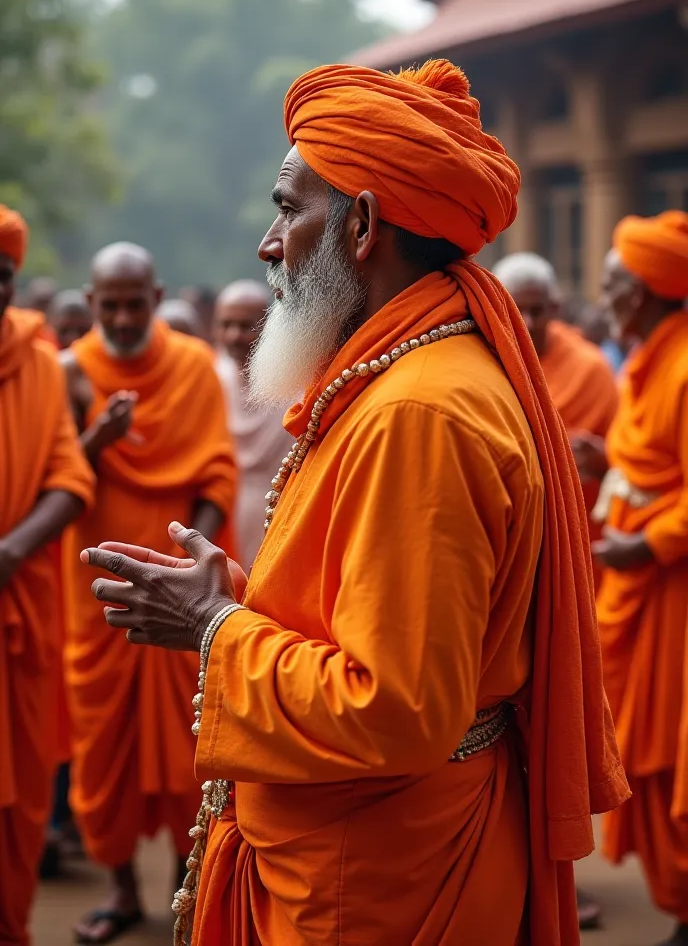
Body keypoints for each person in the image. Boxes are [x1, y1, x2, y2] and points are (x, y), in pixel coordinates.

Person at [83, 61, 629, 946]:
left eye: (288, 209)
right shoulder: (402, 374)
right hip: (371, 853)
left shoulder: (419, 410)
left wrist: (217, 626)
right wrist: (250, 597)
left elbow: (394, 708)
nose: (268, 243)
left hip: (376, 880)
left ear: (364, 224)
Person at [61, 242, 237, 944]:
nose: (125, 317)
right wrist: (96, 442)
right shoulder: (69, 371)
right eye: (111, 305)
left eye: (137, 303)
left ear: (158, 297)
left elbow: (217, 478)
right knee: (102, 755)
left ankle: (181, 889)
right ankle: (122, 890)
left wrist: (184, 566)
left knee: (197, 747)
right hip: (97, 596)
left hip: (181, 594)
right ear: (93, 301)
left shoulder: (193, 368)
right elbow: (51, 487)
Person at [577, 211, 688, 946]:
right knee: (646, 753)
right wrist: (604, 463)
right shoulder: (651, 359)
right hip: (640, 593)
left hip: (673, 596)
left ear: (645, 292)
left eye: (614, 281)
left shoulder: (682, 367)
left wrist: (646, 546)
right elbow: (652, 469)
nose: (604, 293)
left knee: (672, 752)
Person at [0, 205, 94, 945]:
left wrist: (9, 553)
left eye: (1, 280)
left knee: (20, 807)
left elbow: (70, 476)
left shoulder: (35, 362)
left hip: (17, 620)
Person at [493, 253, 618, 563]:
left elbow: (622, 457)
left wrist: (604, 460)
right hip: (506, 529)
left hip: (576, 532)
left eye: (537, 311)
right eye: (518, 311)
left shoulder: (590, 369)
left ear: (555, 309)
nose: (529, 322)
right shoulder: (481, 358)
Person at [214, 280, 293, 567]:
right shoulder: (206, 379)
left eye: (246, 325)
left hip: (280, 511)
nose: (234, 335)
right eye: (226, 324)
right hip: (219, 513)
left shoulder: (294, 383)